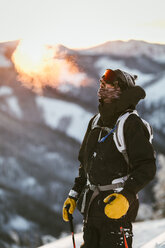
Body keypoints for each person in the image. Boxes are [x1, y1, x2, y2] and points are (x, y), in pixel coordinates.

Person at [62, 69, 156, 248]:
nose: (102, 88)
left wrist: (126, 196)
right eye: (101, 84)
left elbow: (147, 166)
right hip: (91, 210)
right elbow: (85, 165)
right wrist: (73, 195)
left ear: (121, 89)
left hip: (116, 211)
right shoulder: (96, 122)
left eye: (108, 85)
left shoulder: (130, 123)